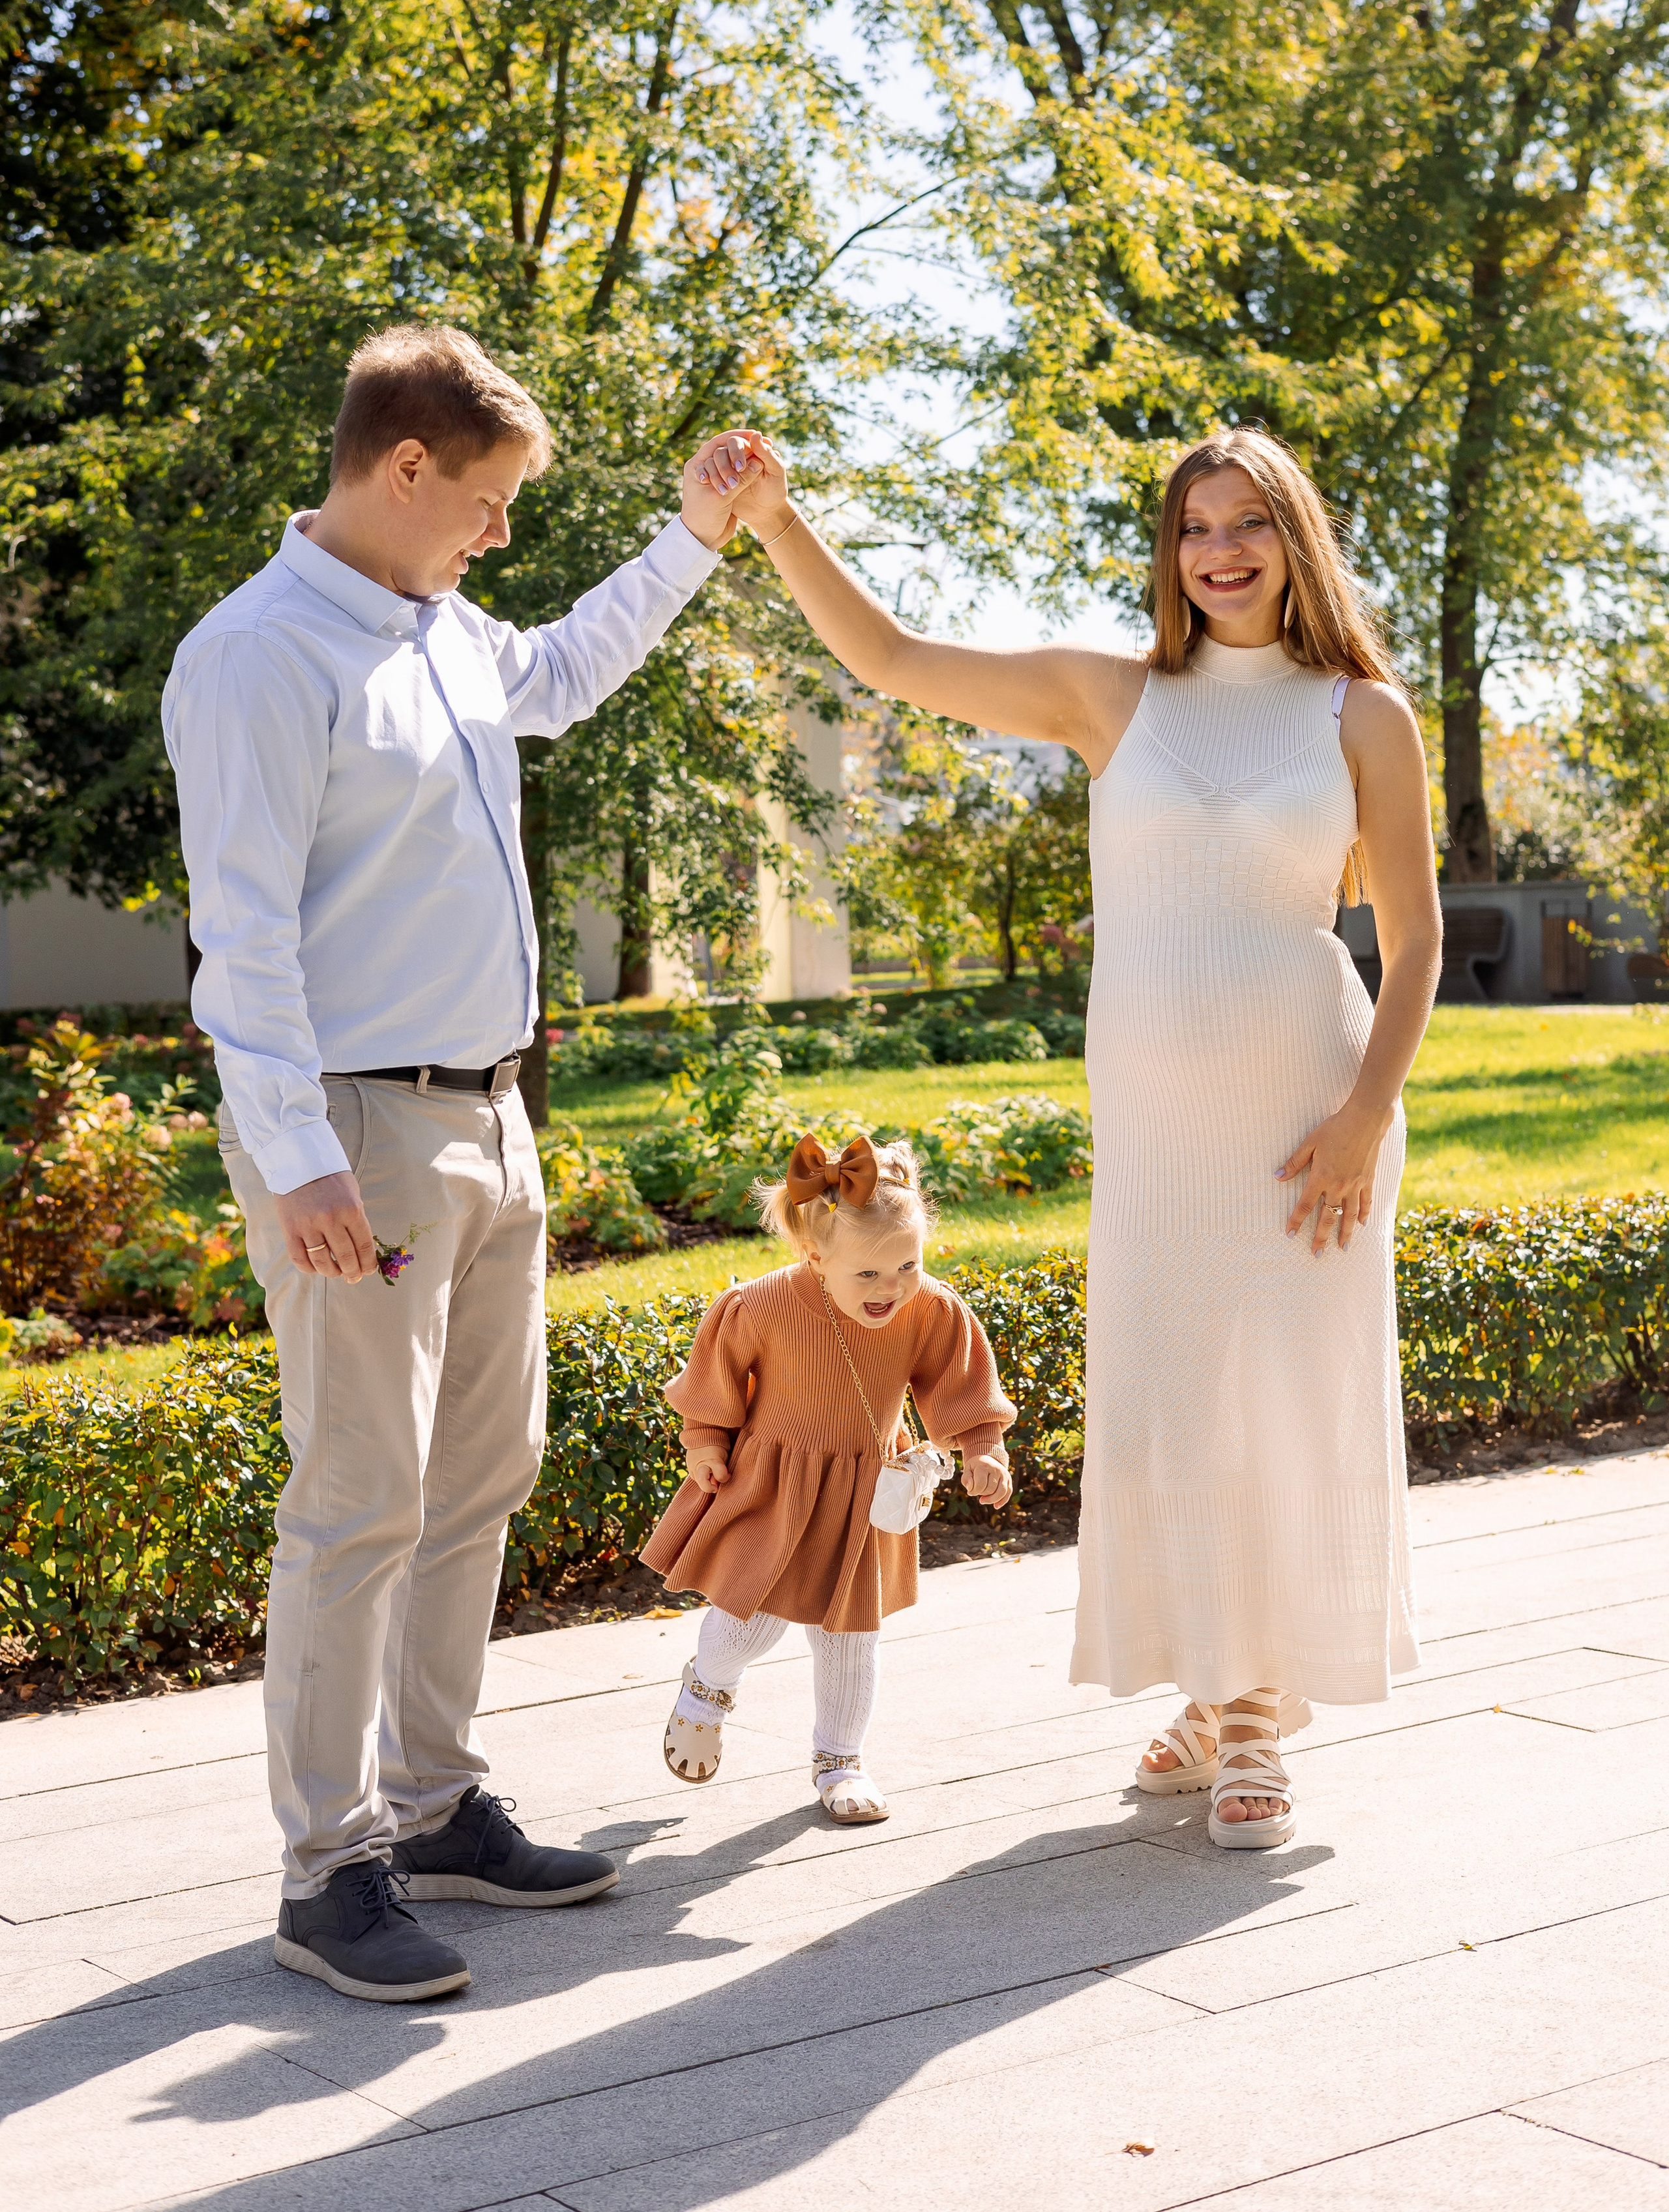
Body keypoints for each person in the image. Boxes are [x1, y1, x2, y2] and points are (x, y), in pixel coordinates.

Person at [691, 422, 1442, 1851]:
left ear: (1295, 537)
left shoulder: (1363, 717)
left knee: (1283, 1401)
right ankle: (1217, 1682)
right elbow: (891, 657)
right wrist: (779, 523)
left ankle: (1250, 1713)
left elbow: (1413, 944)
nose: (1218, 551)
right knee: (1175, 1402)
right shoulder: (1112, 696)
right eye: (1193, 528)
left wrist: (1363, 1116)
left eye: (1247, 522)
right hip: (1158, 1129)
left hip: (1312, 1118)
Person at [163, 328, 756, 2003]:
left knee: (480, 1473)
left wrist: (692, 535)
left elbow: (561, 671)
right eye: (488, 501)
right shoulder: (258, 655)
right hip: (354, 1129)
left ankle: (430, 1807)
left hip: (490, 1117)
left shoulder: (444, 630)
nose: (500, 534)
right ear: (404, 467)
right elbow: (242, 937)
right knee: (359, 1499)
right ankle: (325, 1868)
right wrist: (298, 1159)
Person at [641, 1132, 1016, 1823]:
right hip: (774, 1484)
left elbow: (958, 1376)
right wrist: (705, 1440)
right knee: (750, 1620)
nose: (890, 1288)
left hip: (863, 1492)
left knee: (850, 1636)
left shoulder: (926, 1308)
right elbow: (715, 1375)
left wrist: (981, 1446)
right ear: (816, 1255)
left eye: (907, 1265)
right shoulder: (762, 1304)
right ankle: (707, 1689)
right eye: (867, 1273)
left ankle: (840, 1760)